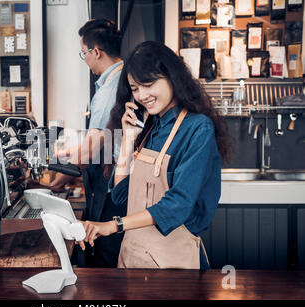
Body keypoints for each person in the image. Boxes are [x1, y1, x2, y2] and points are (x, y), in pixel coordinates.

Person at [77, 41, 233, 270]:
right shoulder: (152, 127)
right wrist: (128, 139)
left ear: (172, 77)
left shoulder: (198, 129)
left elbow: (178, 205)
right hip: (133, 258)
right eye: (135, 88)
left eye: (148, 84)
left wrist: (113, 225)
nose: (142, 95)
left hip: (172, 265)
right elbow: (120, 195)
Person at [45, 19, 127, 267]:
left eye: (84, 53)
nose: (85, 59)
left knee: (103, 252)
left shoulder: (108, 91)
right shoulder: (122, 79)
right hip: (116, 180)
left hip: (112, 185)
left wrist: (55, 183)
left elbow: (90, 151)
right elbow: (101, 139)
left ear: (96, 52)